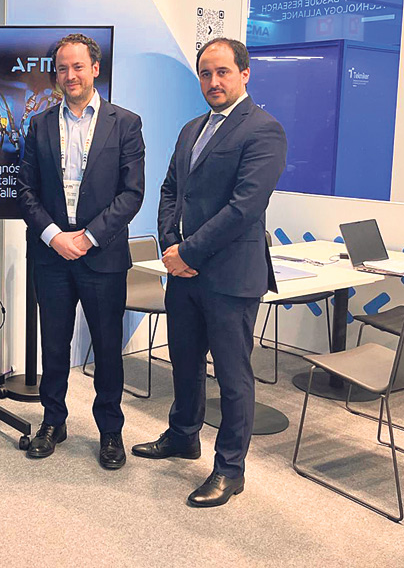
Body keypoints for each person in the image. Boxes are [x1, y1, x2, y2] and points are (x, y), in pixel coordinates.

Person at [133, 37, 286, 507]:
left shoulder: (264, 130)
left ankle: (230, 469)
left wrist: (189, 252)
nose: (213, 81)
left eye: (222, 72)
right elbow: (170, 190)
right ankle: (183, 435)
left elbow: (244, 208)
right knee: (184, 362)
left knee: (233, 377)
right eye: (205, 73)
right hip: (184, 275)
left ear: (244, 73)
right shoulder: (191, 129)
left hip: (229, 277)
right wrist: (170, 244)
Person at [18, 33, 145, 469]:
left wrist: (88, 237)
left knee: (107, 348)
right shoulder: (39, 125)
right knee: (54, 345)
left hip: (102, 256)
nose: (69, 75)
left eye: (77, 67)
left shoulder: (125, 123)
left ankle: (110, 431)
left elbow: (131, 194)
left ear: (95, 69)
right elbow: (25, 191)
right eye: (62, 68)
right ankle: (53, 421)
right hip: (52, 256)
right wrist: (55, 236)